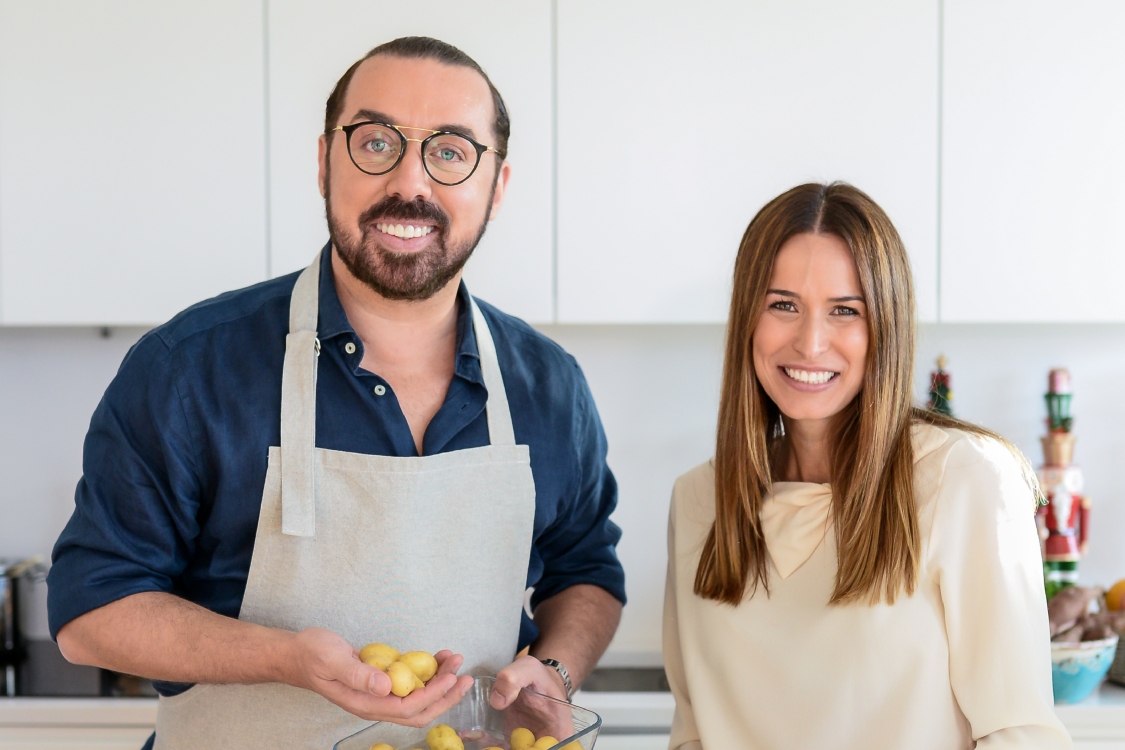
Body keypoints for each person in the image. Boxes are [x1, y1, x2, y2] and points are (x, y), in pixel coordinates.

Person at [47, 36, 625, 748]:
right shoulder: (188, 369)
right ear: (324, 161)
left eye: (450, 151)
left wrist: (557, 669)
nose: (410, 182)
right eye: (376, 141)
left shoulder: (550, 387)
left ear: (496, 187)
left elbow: (586, 570)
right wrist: (283, 658)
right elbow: (90, 614)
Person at [663, 183, 1070, 749]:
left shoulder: (965, 478)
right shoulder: (698, 500)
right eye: (783, 305)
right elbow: (694, 735)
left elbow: (1019, 732)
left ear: (886, 327)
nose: (810, 342)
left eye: (845, 311)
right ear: (747, 319)